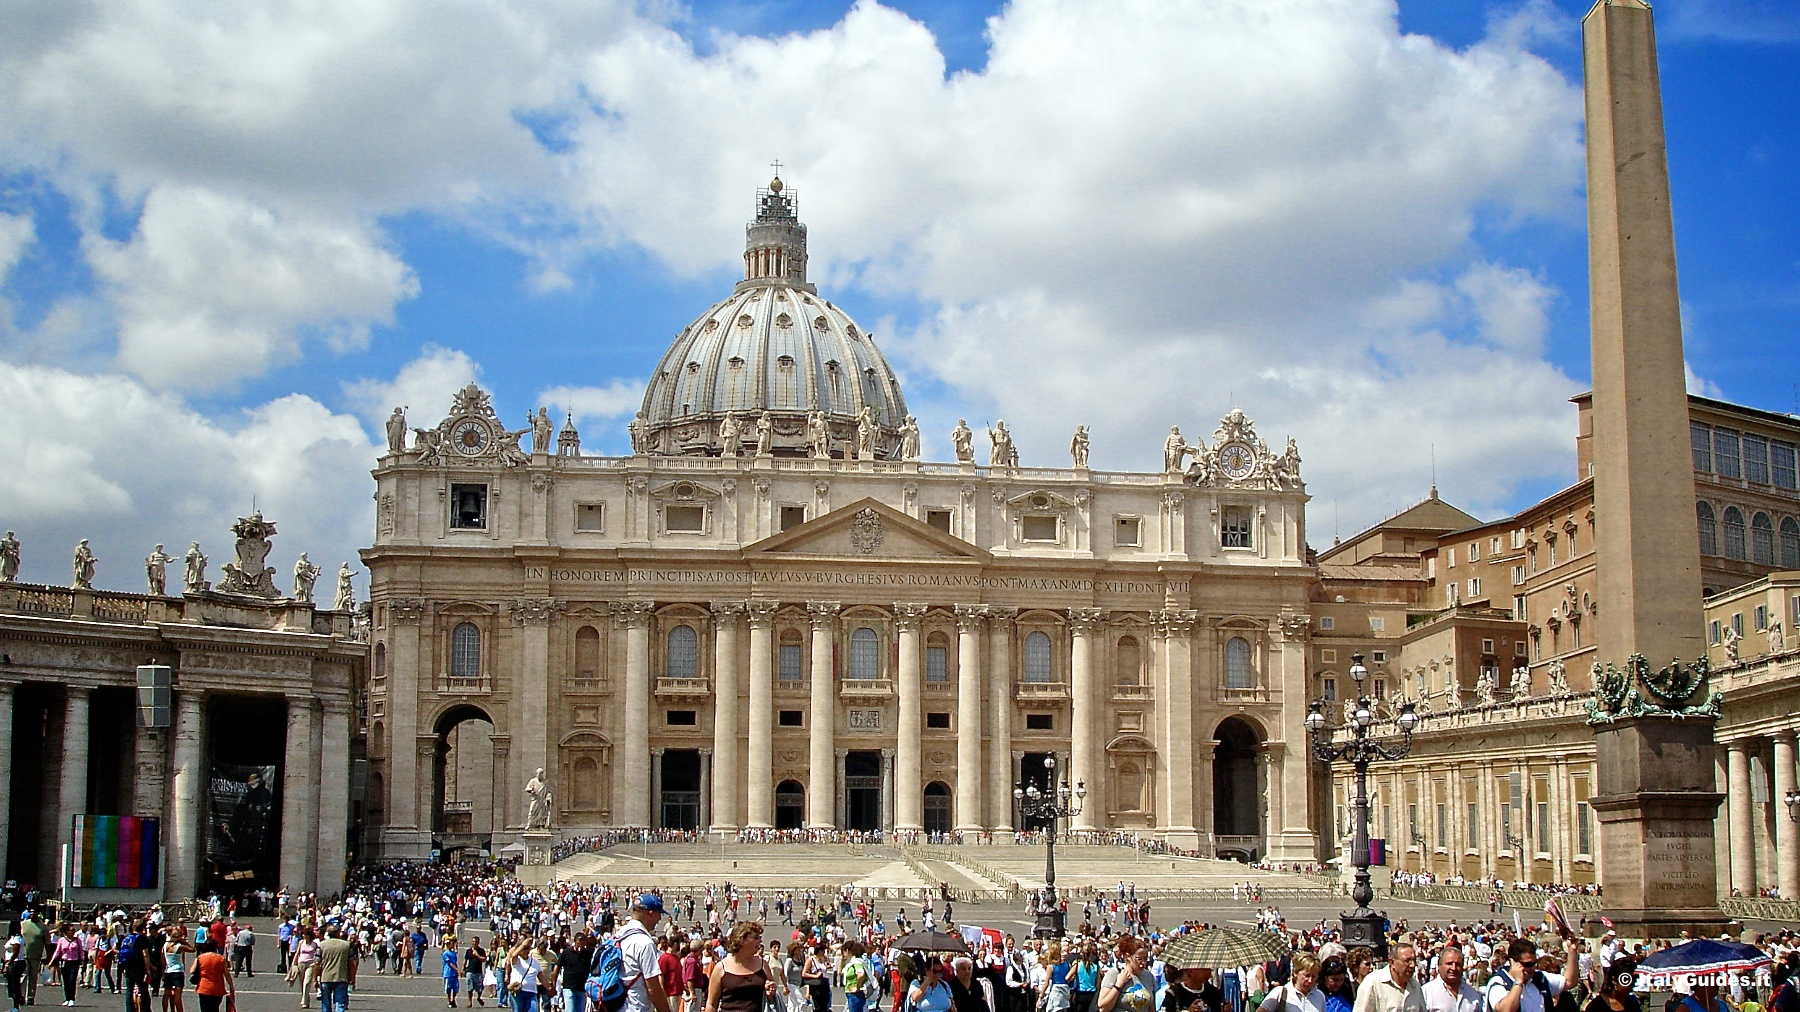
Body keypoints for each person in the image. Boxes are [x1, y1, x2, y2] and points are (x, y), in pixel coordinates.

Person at [1488, 939, 1579, 1012]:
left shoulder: (1540, 978)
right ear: (1513, 962)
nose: (1531, 968)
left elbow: (1569, 982)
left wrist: (1572, 951)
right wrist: (1518, 982)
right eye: (1527, 964)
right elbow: (1505, 1010)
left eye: (1534, 963)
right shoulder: (1499, 982)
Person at [705, 922, 774, 1012]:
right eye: (756, 937)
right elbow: (711, 1004)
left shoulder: (762, 964)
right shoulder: (721, 968)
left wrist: (770, 993)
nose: (760, 941)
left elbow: (771, 996)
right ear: (742, 939)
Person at [619, 895, 672, 1012]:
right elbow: (653, 987)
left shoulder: (618, 935)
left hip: (615, 1004)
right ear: (651, 913)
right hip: (635, 1006)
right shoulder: (644, 943)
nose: (659, 919)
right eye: (659, 914)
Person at [1353, 943, 1425, 1012]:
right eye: (1407, 961)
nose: (1412, 965)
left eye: (1414, 960)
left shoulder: (1415, 986)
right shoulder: (1373, 983)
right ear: (1392, 962)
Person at [1097, 938, 1156, 1012]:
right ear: (1128, 956)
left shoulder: (1149, 976)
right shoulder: (1115, 974)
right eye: (1139, 959)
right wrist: (1118, 985)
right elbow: (1103, 1008)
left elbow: (1151, 1007)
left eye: (1145, 958)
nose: (1143, 963)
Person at [1260, 954, 1326, 1012]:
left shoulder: (1319, 996)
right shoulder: (1280, 993)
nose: (1310, 980)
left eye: (1314, 976)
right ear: (1295, 973)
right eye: (1307, 975)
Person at [1421, 948, 1478, 1012]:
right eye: (1449, 963)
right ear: (1439, 965)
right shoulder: (1426, 993)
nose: (1454, 968)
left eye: (1458, 964)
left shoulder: (1473, 994)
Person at [316, 926, 356, 1012]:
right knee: (340, 1003)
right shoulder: (346, 945)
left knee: (326, 1003)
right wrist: (352, 977)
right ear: (338, 933)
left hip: (325, 977)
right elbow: (352, 964)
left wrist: (315, 978)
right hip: (341, 977)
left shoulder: (322, 945)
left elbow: (317, 963)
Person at [555, 933, 594, 1012]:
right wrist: (553, 984)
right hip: (569, 987)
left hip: (582, 988)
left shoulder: (588, 953)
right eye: (579, 941)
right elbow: (557, 967)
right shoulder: (566, 952)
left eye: (583, 941)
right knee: (570, 1009)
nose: (581, 944)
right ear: (575, 941)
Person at [192, 944, 235, 1012]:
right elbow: (227, 974)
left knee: (204, 1009)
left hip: (204, 987)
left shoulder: (200, 958)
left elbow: (192, 970)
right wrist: (231, 986)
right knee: (215, 1008)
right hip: (217, 988)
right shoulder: (221, 958)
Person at [162, 927, 193, 1012]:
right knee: (177, 996)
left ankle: (165, 1010)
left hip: (168, 971)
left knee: (166, 993)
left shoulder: (165, 946)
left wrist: (163, 973)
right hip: (178, 971)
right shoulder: (179, 946)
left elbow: (163, 960)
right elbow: (193, 949)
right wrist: (184, 941)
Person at [466, 939, 489, 1008]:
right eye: (473, 941)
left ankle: (479, 997)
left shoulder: (481, 951)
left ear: (478, 942)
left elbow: (484, 959)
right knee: (469, 987)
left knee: (480, 988)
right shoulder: (468, 951)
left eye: (476, 941)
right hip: (470, 971)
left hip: (478, 972)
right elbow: (466, 960)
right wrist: (463, 969)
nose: (474, 943)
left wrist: (477, 955)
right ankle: (470, 1002)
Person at [443, 936, 462, 1009]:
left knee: (455, 988)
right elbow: (450, 963)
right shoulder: (445, 953)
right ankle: (449, 1001)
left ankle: (453, 999)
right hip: (448, 973)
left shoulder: (453, 952)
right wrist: (457, 969)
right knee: (448, 988)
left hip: (454, 974)